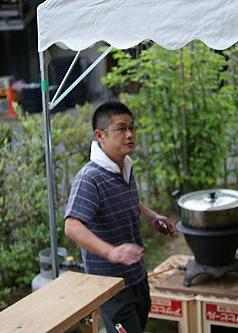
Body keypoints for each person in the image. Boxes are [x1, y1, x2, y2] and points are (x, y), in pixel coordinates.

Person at [64, 101, 175, 333]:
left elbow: (129, 199)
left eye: (132, 128)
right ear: (100, 135)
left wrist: (151, 216)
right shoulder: (89, 178)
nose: (130, 135)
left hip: (136, 273)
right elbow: (72, 227)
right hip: (110, 283)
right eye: (121, 128)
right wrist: (111, 252)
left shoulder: (124, 165)